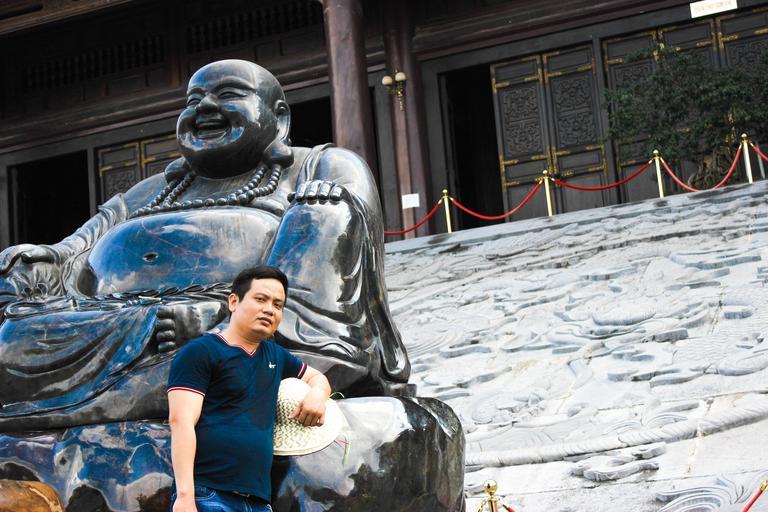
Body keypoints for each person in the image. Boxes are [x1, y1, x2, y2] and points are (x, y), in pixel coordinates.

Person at [0, 59, 410, 432]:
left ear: (280, 118)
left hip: (233, 320)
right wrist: (39, 260)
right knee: (15, 336)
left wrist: (223, 315)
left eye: (228, 94)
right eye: (194, 100)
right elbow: (73, 249)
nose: (205, 108)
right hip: (120, 319)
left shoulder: (321, 165)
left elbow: (337, 242)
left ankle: (220, 342)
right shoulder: (148, 191)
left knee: (326, 209)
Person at [167, 265, 331, 512]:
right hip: (207, 494)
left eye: (278, 305)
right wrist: (185, 497)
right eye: (261, 299)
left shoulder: (276, 355)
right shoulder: (200, 352)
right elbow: (181, 422)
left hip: (257, 500)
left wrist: (317, 395)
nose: (269, 309)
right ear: (234, 302)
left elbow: (317, 377)